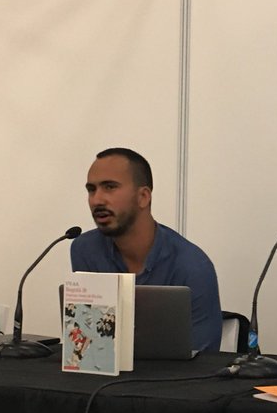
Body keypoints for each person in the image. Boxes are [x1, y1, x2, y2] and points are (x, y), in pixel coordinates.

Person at [71, 147, 222, 353]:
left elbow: (204, 361)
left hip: (171, 373)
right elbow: (89, 344)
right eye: (91, 190)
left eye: (110, 187)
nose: (97, 200)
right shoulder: (85, 250)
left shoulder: (192, 267)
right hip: (103, 371)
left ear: (143, 196)